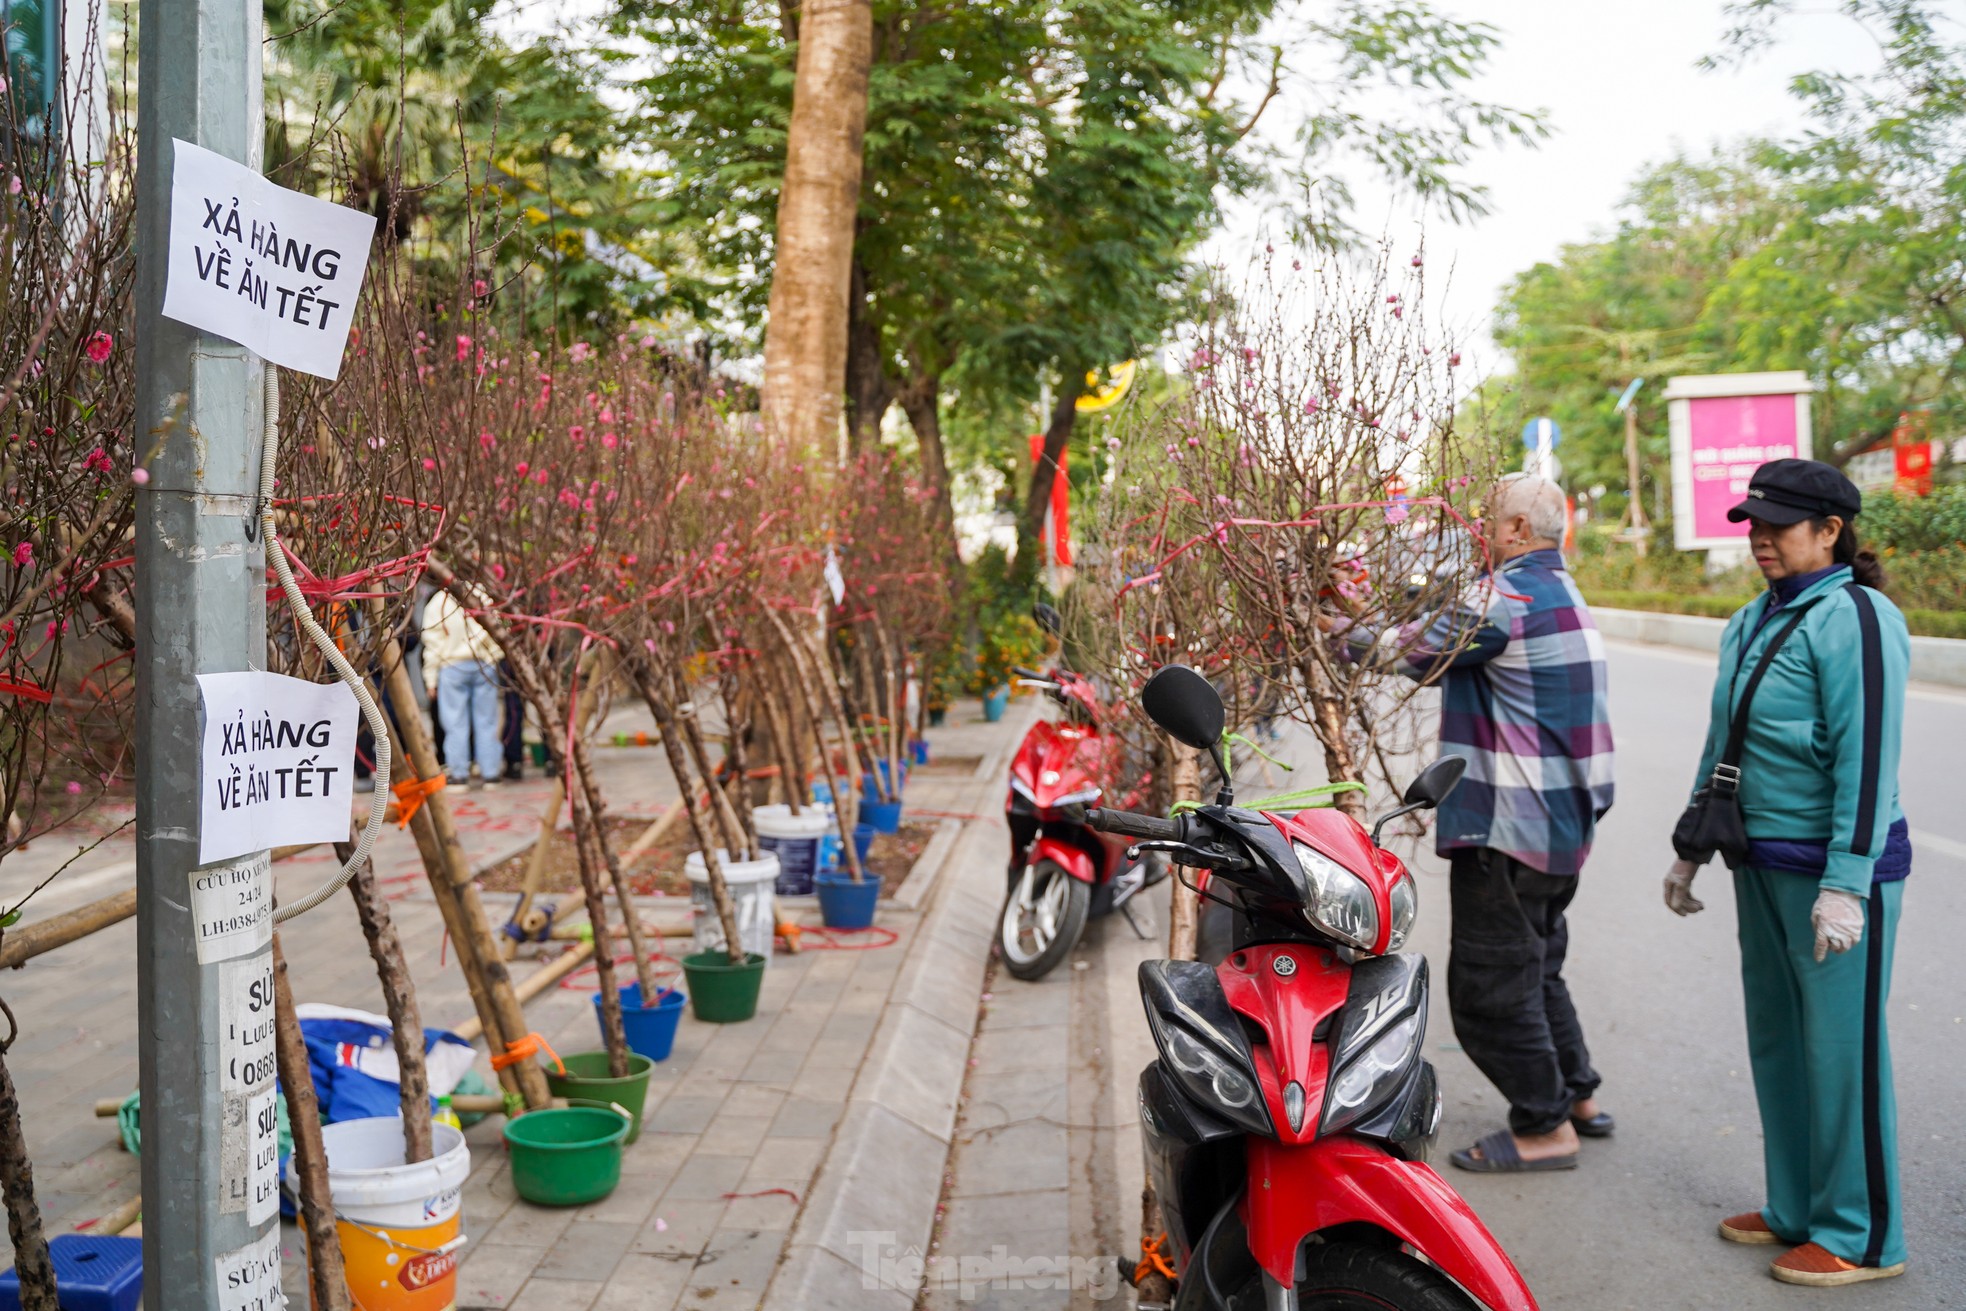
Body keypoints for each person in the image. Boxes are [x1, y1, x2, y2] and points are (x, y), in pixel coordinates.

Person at [1664, 458, 1909, 1288]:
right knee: (1779, 1041)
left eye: (1779, 522)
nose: (1760, 536)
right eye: (1753, 522)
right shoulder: (1753, 618)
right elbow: (1722, 744)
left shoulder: (1859, 617)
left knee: (1843, 1051)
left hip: (1835, 872)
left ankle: (1865, 1232)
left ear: (1832, 530)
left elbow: (1867, 759)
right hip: (1757, 858)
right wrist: (1691, 845)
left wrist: (1848, 881)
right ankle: (1798, 1204)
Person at [1331, 472, 1615, 1173]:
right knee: (1539, 965)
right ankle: (1576, 1093)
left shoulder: (1502, 599)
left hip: (1509, 828)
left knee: (1489, 986)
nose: (1478, 529)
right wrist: (1356, 607)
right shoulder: (1558, 589)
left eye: (1488, 519)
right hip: (1564, 825)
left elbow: (1404, 651)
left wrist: (1329, 627)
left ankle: (1545, 1125)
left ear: (1518, 529)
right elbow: (1431, 630)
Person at [421, 588, 506, 789]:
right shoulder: (482, 595)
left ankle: (459, 775)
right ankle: (490, 773)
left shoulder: (439, 601)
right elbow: (498, 629)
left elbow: (432, 643)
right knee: (487, 721)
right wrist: (493, 657)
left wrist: (430, 678)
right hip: (483, 664)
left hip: (451, 665)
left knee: (454, 723)